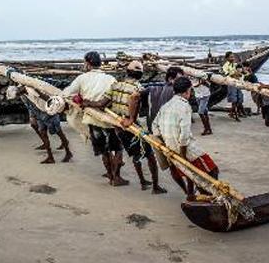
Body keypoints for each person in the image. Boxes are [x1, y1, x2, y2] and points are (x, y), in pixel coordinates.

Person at [84, 61, 166, 194]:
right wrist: (132, 118)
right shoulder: (137, 87)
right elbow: (134, 99)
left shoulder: (115, 85)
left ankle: (142, 181)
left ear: (127, 72)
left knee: (135, 154)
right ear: (140, 75)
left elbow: (101, 103)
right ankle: (156, 187)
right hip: (131, 126)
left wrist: (87, 103)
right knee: (149, 156)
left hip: (118, 126)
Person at [63, 51, 127, 186]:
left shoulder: (82, 78)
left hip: (93, 119)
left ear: (88, 63)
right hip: (110, 120)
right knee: (118, 149)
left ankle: (110, 176)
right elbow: (115, 99)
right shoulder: (110, 78)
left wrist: (79, 99)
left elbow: (66, 93)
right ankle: (117, 177)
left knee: (104, 150)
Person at [152, 76, 219, 201]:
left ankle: (190, 194)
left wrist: (165, 142)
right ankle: (208, 199)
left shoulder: (165, 106)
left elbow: (154, 127)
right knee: (213, 170)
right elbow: (184, 135)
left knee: (189, 173)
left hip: (170, 148)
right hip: (186, 150)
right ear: (188, 91)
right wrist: (183, 155)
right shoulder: (184, 107)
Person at [16, 86, 73, 164]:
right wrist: (32, 116)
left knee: (59, 132)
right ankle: (50, 157)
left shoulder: (32, 90)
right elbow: (29, 106)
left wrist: (53, 109)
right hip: (39, 115)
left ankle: (68, 152)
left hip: (49, 112)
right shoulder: (22, 95)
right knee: (43, 133)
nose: (18, 95)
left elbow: (48, 99)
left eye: (18, 93)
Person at [246, 72, 269, 141]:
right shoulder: (257, 86)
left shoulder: (258, 86)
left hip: (268, 103)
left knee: (267, 122)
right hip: (266, 103)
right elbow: (257, 98)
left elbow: (258, 97)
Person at [222, 52, 242, 121]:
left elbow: (240, 72)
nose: (233, 58)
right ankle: (235, 115)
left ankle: (231, 113)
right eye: (231, 57)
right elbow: (226, 75)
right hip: (231, 84)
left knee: (239, 99)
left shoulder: (235, 64)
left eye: (233, 57)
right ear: (227, 58)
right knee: (234, 100)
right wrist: (235, 74)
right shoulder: (225, 66)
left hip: (237, 83)